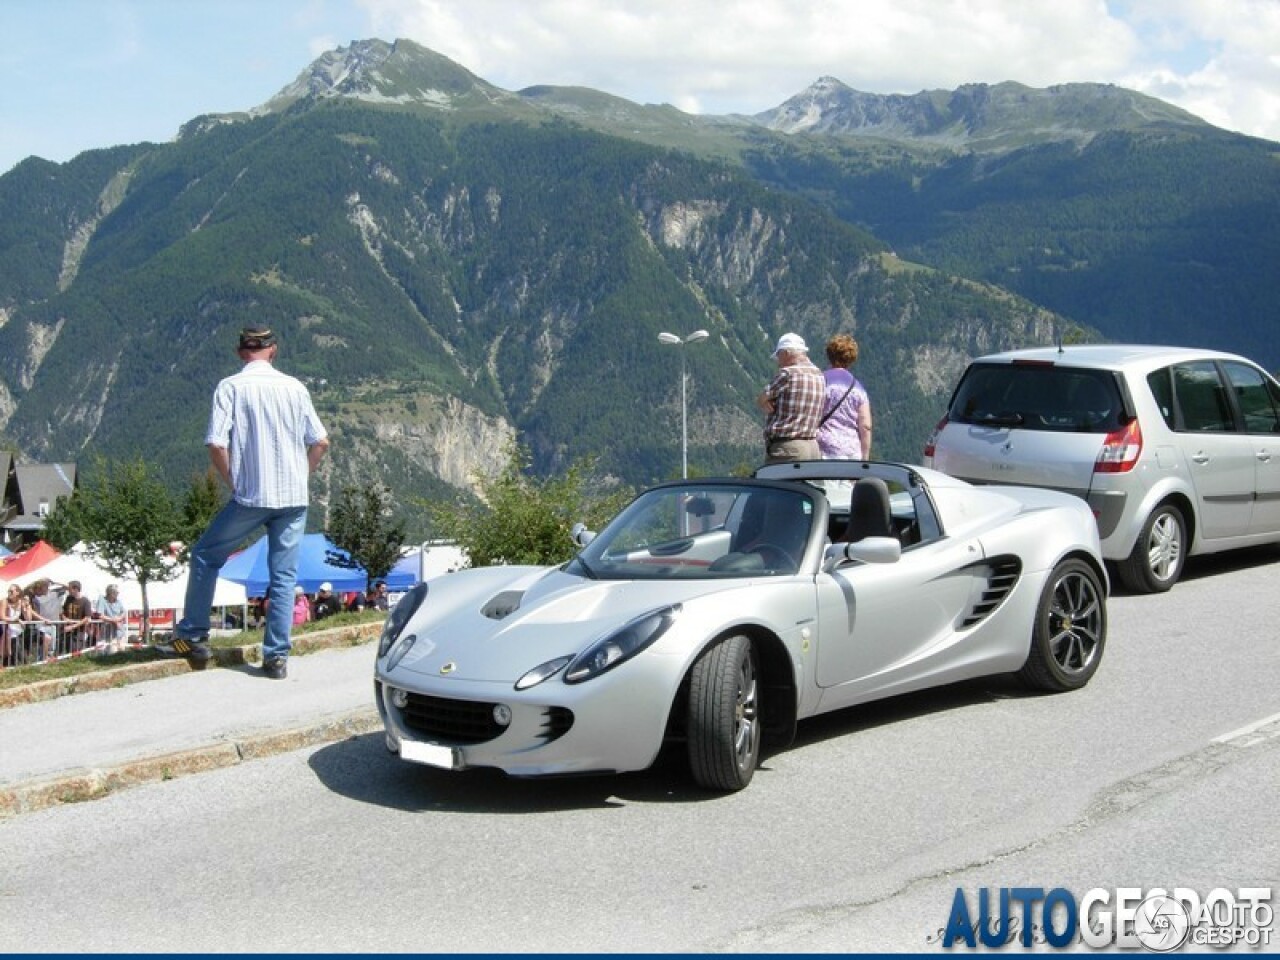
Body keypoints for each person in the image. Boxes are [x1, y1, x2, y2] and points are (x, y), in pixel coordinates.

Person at [156, 326, 330, 680]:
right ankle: (276, 658)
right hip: (293, 498)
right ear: (273, 350)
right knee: (283, 577)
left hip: (251, 495)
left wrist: (232, 480)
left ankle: (193, 637)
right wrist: (302, 475)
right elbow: (321, 442)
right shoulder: (295, 388)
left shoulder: (231, 387)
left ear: (240, 352)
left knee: (206, 554)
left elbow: (216, 444)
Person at [755, 332, 825, 464]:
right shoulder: (819, 375)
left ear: (786, 353)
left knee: (774, 484)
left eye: (778, 356)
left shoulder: (787, 374)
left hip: (788, 449)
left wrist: (767, 403)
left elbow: (761, 398)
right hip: (812, 448)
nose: (778, 362)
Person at [817, 333, 873, 460]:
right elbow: (866, 426)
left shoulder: (820, 381)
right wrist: (865, 457)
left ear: (829, 355)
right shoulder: (858, 388)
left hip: (825, 449)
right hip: (852, 452)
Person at [93, 584, 129, 654]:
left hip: (119, 631)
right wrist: (114, 620)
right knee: (111, 651)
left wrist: (119, 618)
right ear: (110, 593)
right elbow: (100, 615)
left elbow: (124, 612)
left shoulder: (118, 601)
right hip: (107, 632)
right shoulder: (102, 599)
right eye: (116, 592)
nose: (118, 594)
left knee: (121, 651)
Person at [61, 580, 93, 653]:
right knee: (67, 650)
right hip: (67, 630)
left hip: (79, 631)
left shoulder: (86, 601)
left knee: (76, 651)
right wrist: (64, 618)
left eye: (70, 589)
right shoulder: (68, 598)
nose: (68, 591)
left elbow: (87, 617)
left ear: (76, 589)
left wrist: (73, 626)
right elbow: (63, 611)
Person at [1, 583, 24, 667]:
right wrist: (15, 620)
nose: (9, 593)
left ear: (17, 592)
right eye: (8, 591)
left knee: (19, 657)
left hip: (18, 632)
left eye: (11, 591)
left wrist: (27, 607)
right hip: (7, 632)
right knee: (9, 656)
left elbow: (28, 618)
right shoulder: (4, 601)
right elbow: (2, 616)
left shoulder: (20, 601)